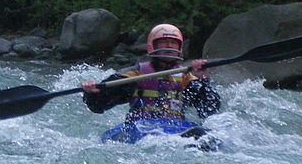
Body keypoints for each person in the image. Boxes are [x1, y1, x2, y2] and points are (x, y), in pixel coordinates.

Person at [80, 23, 222, 145]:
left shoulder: (187, 78)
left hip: (176, 126)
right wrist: (91, 93)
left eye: (173, 43)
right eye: (164, 42)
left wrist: (203, 80)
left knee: (207, 137)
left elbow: (210, 108)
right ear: (151, 47)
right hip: (141, 126)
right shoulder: (134, 75)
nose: (169, 46)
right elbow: (99, 105)